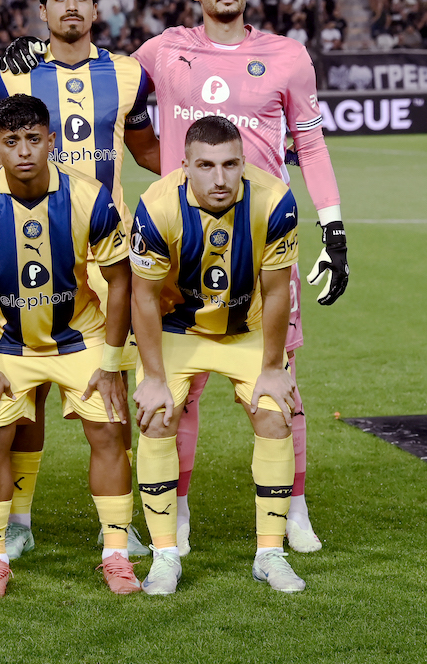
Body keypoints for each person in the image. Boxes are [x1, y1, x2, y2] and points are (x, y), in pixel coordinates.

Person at [0, 0, 349, 554]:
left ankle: (295, 508)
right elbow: (94, 72)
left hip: (262, 238)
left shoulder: (288, 56)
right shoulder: (161, 52)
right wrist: (32, 52)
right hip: (179, 244)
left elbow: (312, 145)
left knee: (282, 381)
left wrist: (334, 228)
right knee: (175, 393)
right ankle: (176, 513)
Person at [0, 0, 157, 560]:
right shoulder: (14, 76)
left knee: (111, 392)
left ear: (96, 7)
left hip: (108, 256)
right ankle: (18, 520)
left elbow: (147, 148)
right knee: (26, 390)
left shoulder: (128, 74)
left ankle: (118, 525)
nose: (70, 7)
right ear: (42, 10)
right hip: (32, 247)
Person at [0, 94, 138, 600]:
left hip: (80, 337)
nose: (24, 151)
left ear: (52, 141)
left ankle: (116, 553)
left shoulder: (90, 197)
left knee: (109, 431)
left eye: (33, 139)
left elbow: (121, 280)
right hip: (4, 342)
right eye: (11, 141)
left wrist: (111, 363)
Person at [130, 115, 305, 595]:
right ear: (185, 165)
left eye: (230, 164)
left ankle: (270, 554)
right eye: (206, 166)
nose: (220, 178)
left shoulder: (275, 201)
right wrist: (153, 377)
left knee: (274, 414)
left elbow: (277, 292)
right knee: (157, 416)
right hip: (178, 327)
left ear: (244, 163)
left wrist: (272, 369)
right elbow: (143, 297)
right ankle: (166, 556)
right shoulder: (156, 206)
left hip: (246, 329)